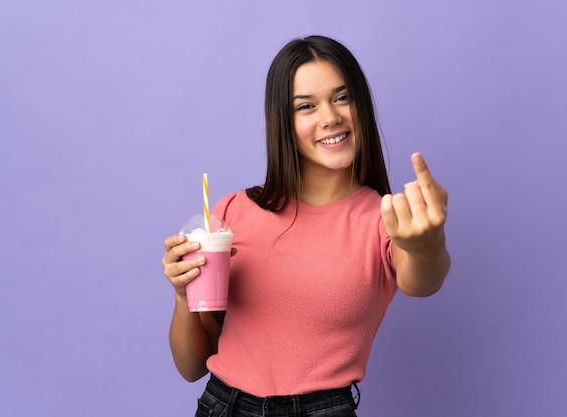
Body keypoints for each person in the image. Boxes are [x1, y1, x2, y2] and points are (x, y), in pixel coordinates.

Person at [162, 35, 450, 417]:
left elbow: (422, 281)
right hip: (221, 405)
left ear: (361, 105)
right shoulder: (232, 210)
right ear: (283, 121)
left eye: (342, 98)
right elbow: (193, 366)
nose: (330, 116)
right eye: (306, 106)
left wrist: (427, 245)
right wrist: (183, 294)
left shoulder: (386, 220)